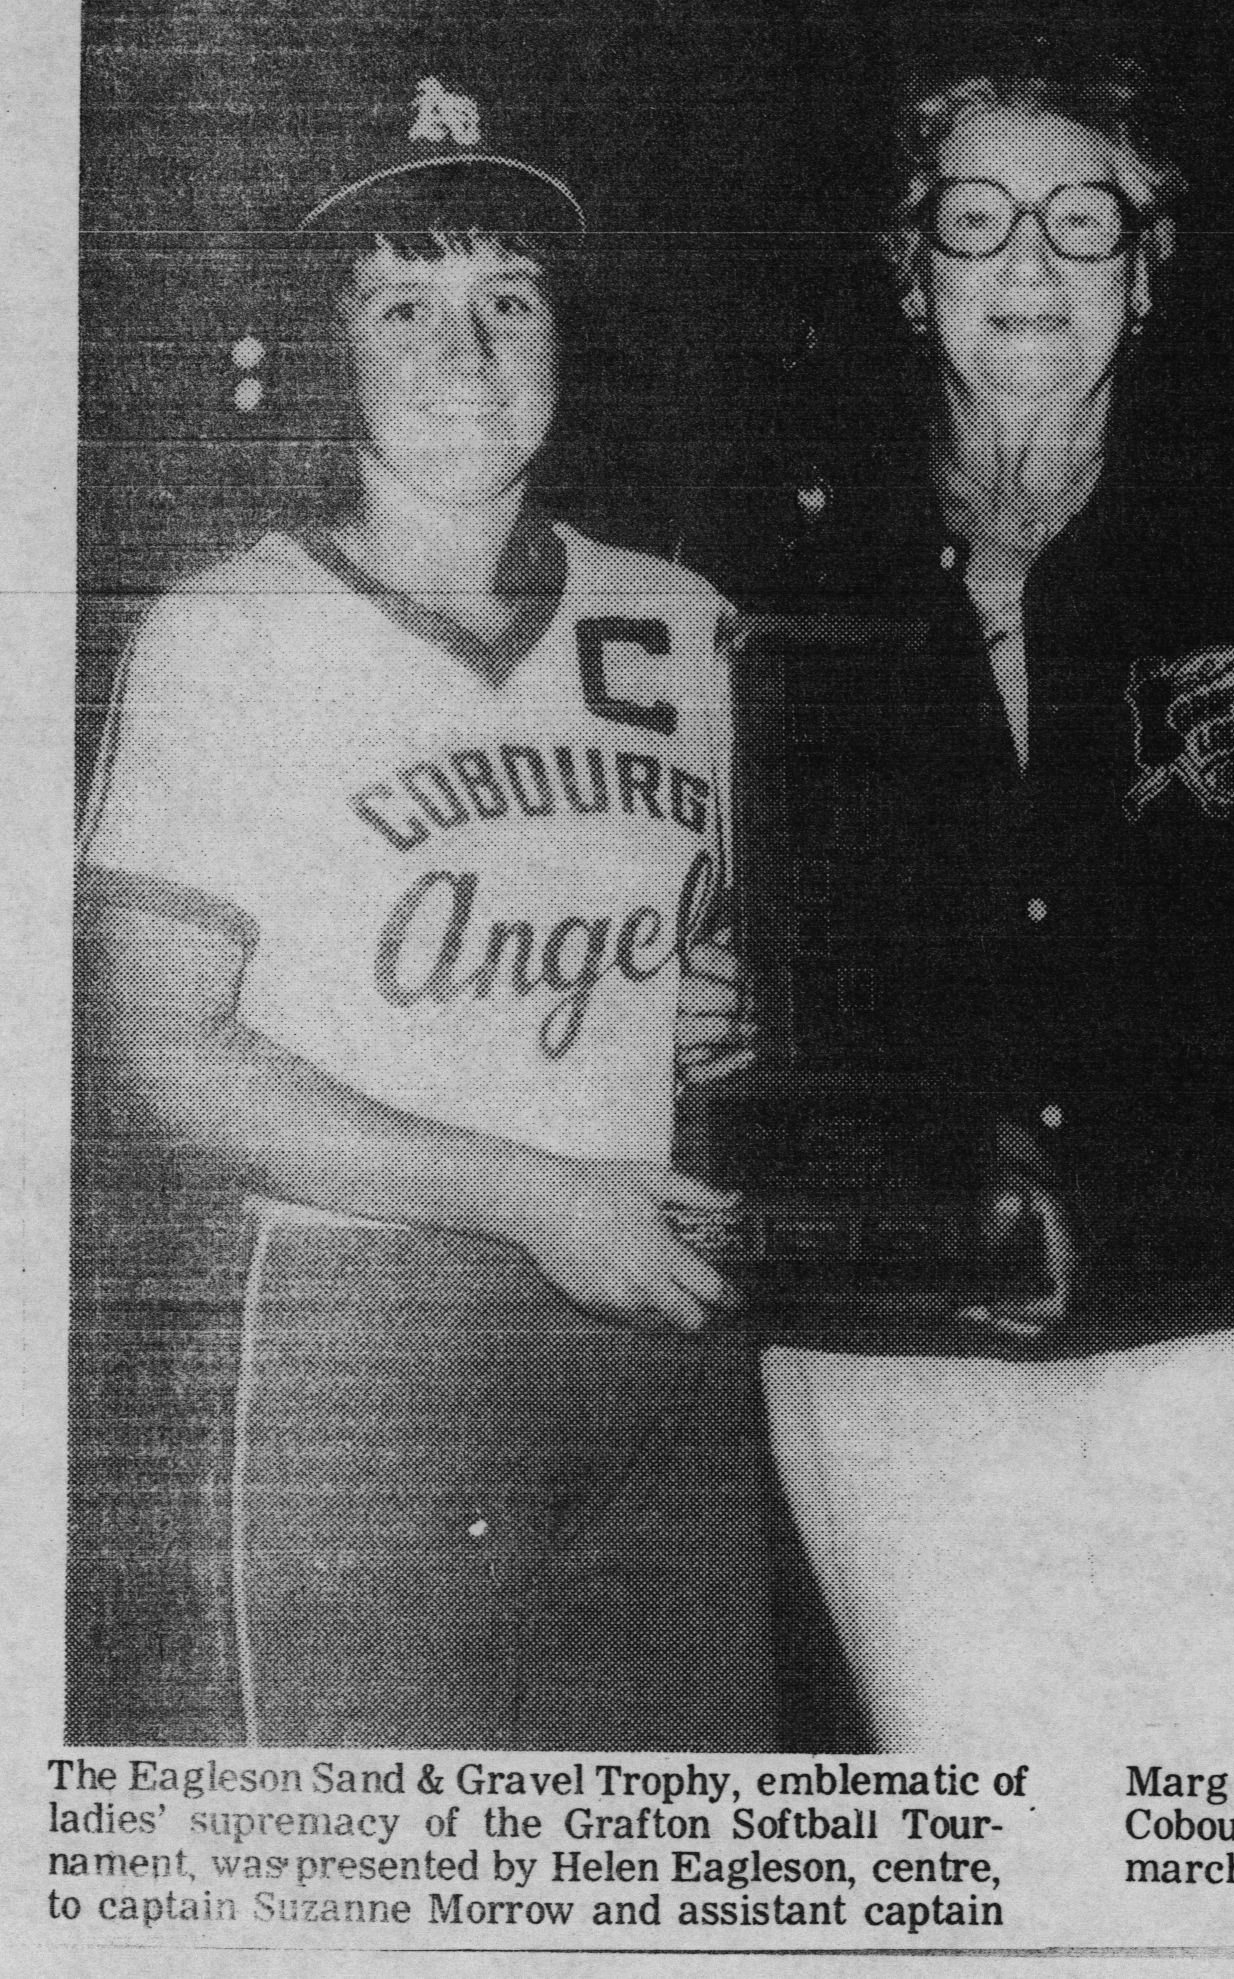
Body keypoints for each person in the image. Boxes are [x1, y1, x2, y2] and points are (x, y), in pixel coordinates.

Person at [71, 75, 774, 1748]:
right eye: (405, 304)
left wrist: (706, 1014)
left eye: (505, 299)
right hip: (371, 1335)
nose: (466, 353)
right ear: (334, 353)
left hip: (658, 1317)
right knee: (385, 1870)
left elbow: (678, 969)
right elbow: (166, 1059)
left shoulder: (678, 620)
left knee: (678, 1875)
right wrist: (530, 1194)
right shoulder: (224, 631)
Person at [754, 42, 1234, 1752]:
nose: (1028, 263)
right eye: (977, 221)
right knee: (976, 1820)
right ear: (912, 272)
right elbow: (738, 969)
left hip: (1230, 1297)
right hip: (897, 1320)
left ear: (1147, 271)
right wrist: (912, 1153)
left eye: (1081, 221)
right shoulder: (769, 567)